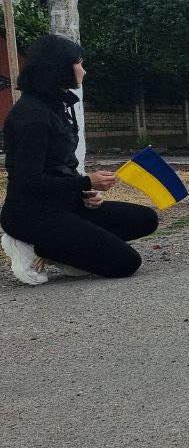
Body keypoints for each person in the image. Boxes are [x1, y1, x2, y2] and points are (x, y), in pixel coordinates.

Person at [0, 34, 159, 285]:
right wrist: (86, 182)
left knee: (146, 219)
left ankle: (66, 250)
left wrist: (84, 192)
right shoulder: (30, 117)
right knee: (126, 263)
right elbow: (28, 181)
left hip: (66, 204)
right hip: (31, 214)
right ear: (59, 68)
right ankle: (34, 245)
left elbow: (60, 163)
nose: (83, 70)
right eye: (79, 63)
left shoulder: (57, 105)